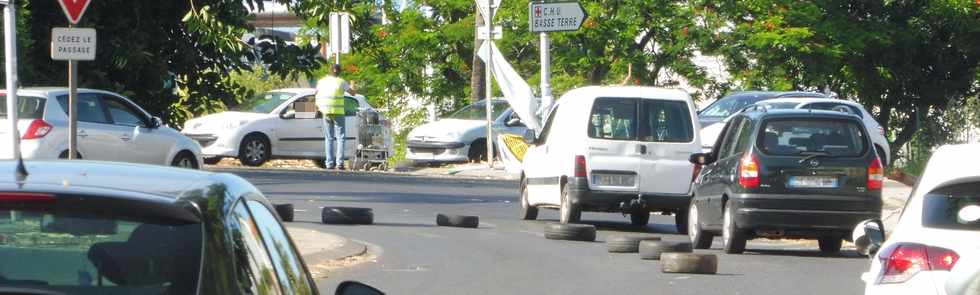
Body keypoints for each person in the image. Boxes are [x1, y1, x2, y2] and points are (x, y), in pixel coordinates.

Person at [316, 64, 350, 170]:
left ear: (330, 71)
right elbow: (353, 93)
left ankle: (329, 163)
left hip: (325, 112)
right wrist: (353, 86)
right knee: (341, 138)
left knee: (329, 138)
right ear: (339, 71)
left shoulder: (322, 81)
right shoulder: (341, 82)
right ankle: (340, 163)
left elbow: (315, 93)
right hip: (338, 112)